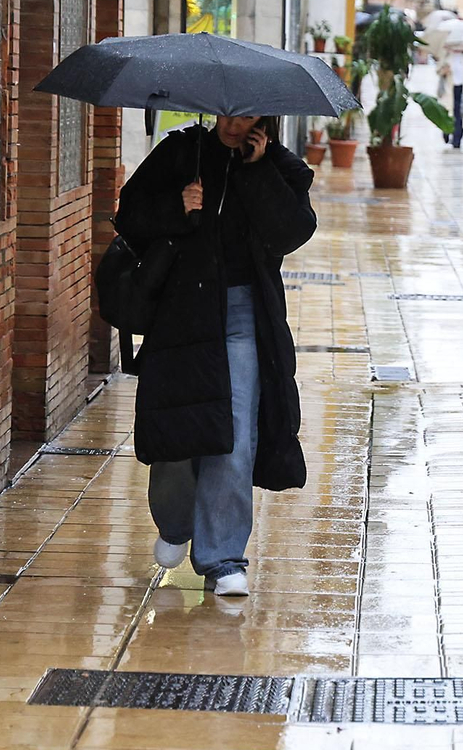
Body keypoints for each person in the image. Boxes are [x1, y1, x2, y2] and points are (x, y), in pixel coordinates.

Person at [115, 115, 317, 596]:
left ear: (263, 120)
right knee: (178, 429)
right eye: (226, 113)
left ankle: (223, 558)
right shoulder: (181, 153)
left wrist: (257, 169)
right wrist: (176, 205)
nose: (233, 123)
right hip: (180, 311)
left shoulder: (283, 168)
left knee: (235, 435)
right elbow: (129, 217)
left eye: (245, 114)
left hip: (244, 315)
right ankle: (174, 522)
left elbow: (289, 234)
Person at [441, 47, 463, 150]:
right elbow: (439, 71)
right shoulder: (447, 58)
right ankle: (446, 131)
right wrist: (445, 70)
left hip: (462, 89)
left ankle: (457, 139)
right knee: (449, 112)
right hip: (450, 89)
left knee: (459, 115)